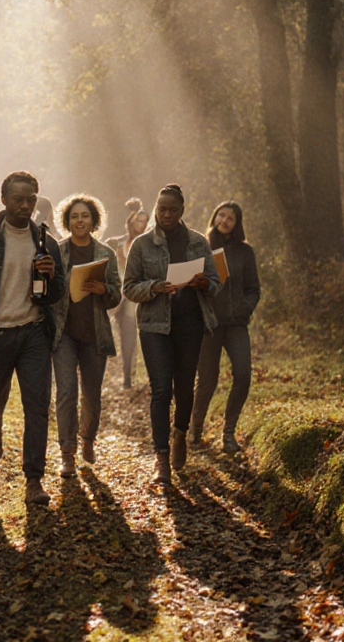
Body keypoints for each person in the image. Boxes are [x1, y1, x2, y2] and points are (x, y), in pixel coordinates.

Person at [0, 171, 66, 504]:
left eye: (31, 199)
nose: (25, 205)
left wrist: (51, 277)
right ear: (3, 200)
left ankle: (34, 480)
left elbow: (59, 292)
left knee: (37, 407)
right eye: (18, 198)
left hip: (34, 333)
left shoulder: (46, 242)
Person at [122, 184, 221, 485]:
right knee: (161, 390)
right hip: (154, 326)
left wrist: (204, 282)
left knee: (184, 388)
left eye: (172, 210)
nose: (166, 214)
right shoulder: (141, 245)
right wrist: (154, 287)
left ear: (182, 211)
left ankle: (180, 433)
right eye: (161, 208)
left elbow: (216, 283)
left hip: (190, 324)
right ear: (155, 208)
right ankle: (161, 457)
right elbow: (129, 288)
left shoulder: (197, 242)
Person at [51, 194, 122, 477]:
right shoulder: (56, 251)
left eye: (85, 216)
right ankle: (67, 453)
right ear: (67, 222)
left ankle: (87, 439)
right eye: (74, 216)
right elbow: (45, 290)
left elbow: (117, 294)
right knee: (66, 391)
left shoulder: (106, 253)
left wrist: (104, 290)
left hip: (95, 334)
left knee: (92, 395)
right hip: (63, 333)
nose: (80, 221)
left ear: (94, 221)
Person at [191, 202, 261, 454]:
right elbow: (186, 283)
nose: (225, 220)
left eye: (231, 217)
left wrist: (244, 309)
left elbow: (254, 289)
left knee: (243, 376)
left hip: (235, 324)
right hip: (208, 324)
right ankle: (195, 430)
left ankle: (228, 433)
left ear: (237, 223)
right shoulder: (199, 247)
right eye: (221, 214)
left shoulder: (245, 252)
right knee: (207, 381)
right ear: (214, 216)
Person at [104, 198, 150, 389]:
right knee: (126, 337)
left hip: (141, 297)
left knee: (139, 336)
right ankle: (126, 375)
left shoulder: (149, 246)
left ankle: (136, 376)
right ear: (130, 221)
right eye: (139, 220)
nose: (142, 224)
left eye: (145, 221)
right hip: (120, 298)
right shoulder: (115, 243)